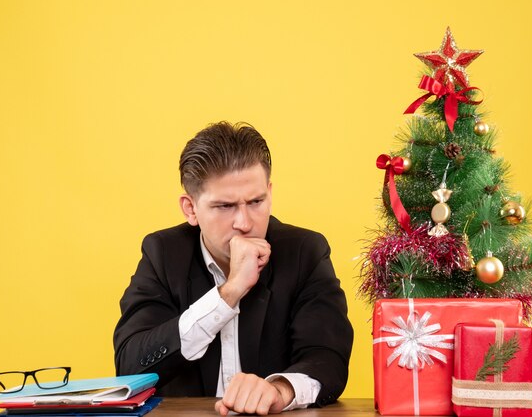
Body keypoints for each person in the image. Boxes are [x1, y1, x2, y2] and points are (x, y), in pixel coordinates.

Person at [113, 121, 353, 415]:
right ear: (191, 209)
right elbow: (131, 365)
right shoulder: (163, 253)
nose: (245, 222)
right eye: (225, 206)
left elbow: (328, 359)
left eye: (256, 201)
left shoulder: (304, 251)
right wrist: (229, 292)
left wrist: (280, 390)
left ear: (269, 191)